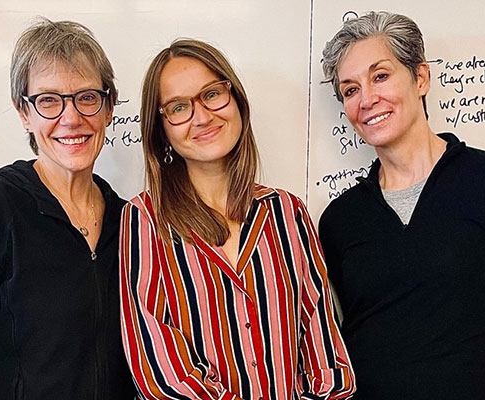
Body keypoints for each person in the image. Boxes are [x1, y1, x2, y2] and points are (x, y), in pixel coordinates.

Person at [318, 11, 485, 400]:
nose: (367, 99)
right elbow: (348, 332)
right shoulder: (340, 220)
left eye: (380, 76)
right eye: (351, 89)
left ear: (420, 78)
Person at [120, 39, 356, 399]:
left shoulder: (288, 213)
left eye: (212, 94)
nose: (202, 116)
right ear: (161, 130)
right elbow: (161, 376)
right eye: (178, 107)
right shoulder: (145, 221)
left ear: (236, 100)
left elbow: (324, 349)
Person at [0, 18, 136, 399]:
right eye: (48, 100)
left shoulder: (130, 223)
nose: (71, 118)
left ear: (108, 107)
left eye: (87, 97)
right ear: (24, 113)